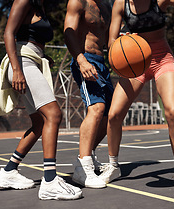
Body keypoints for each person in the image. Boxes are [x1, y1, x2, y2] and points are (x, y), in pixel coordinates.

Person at [100, 0, 174, 190]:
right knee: (113, 115)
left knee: (173, 112)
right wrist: (120, 42)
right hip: (136, 60)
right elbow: (111, 42)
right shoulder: (121, 4)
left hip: (161, 58)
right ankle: (113, 165)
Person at [0, 0, 82, 200]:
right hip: (21, 62)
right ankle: (50, 181)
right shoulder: (24, 0)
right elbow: (9, 33)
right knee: (54, 114)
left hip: (31, 60)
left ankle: (9, 172)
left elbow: (31, 39)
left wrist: (44, 55)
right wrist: (17, 70)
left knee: (40, 123)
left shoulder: (40, 7)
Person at [63, 0, 114, 188]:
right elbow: (68, 33)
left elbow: (110, 38)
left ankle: (88, 156)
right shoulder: (78, 2)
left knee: (111, 114)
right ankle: (82, 168)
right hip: (85, 59)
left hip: (102, 63)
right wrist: (81, 61)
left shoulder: (107, 6)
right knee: (97, 108)